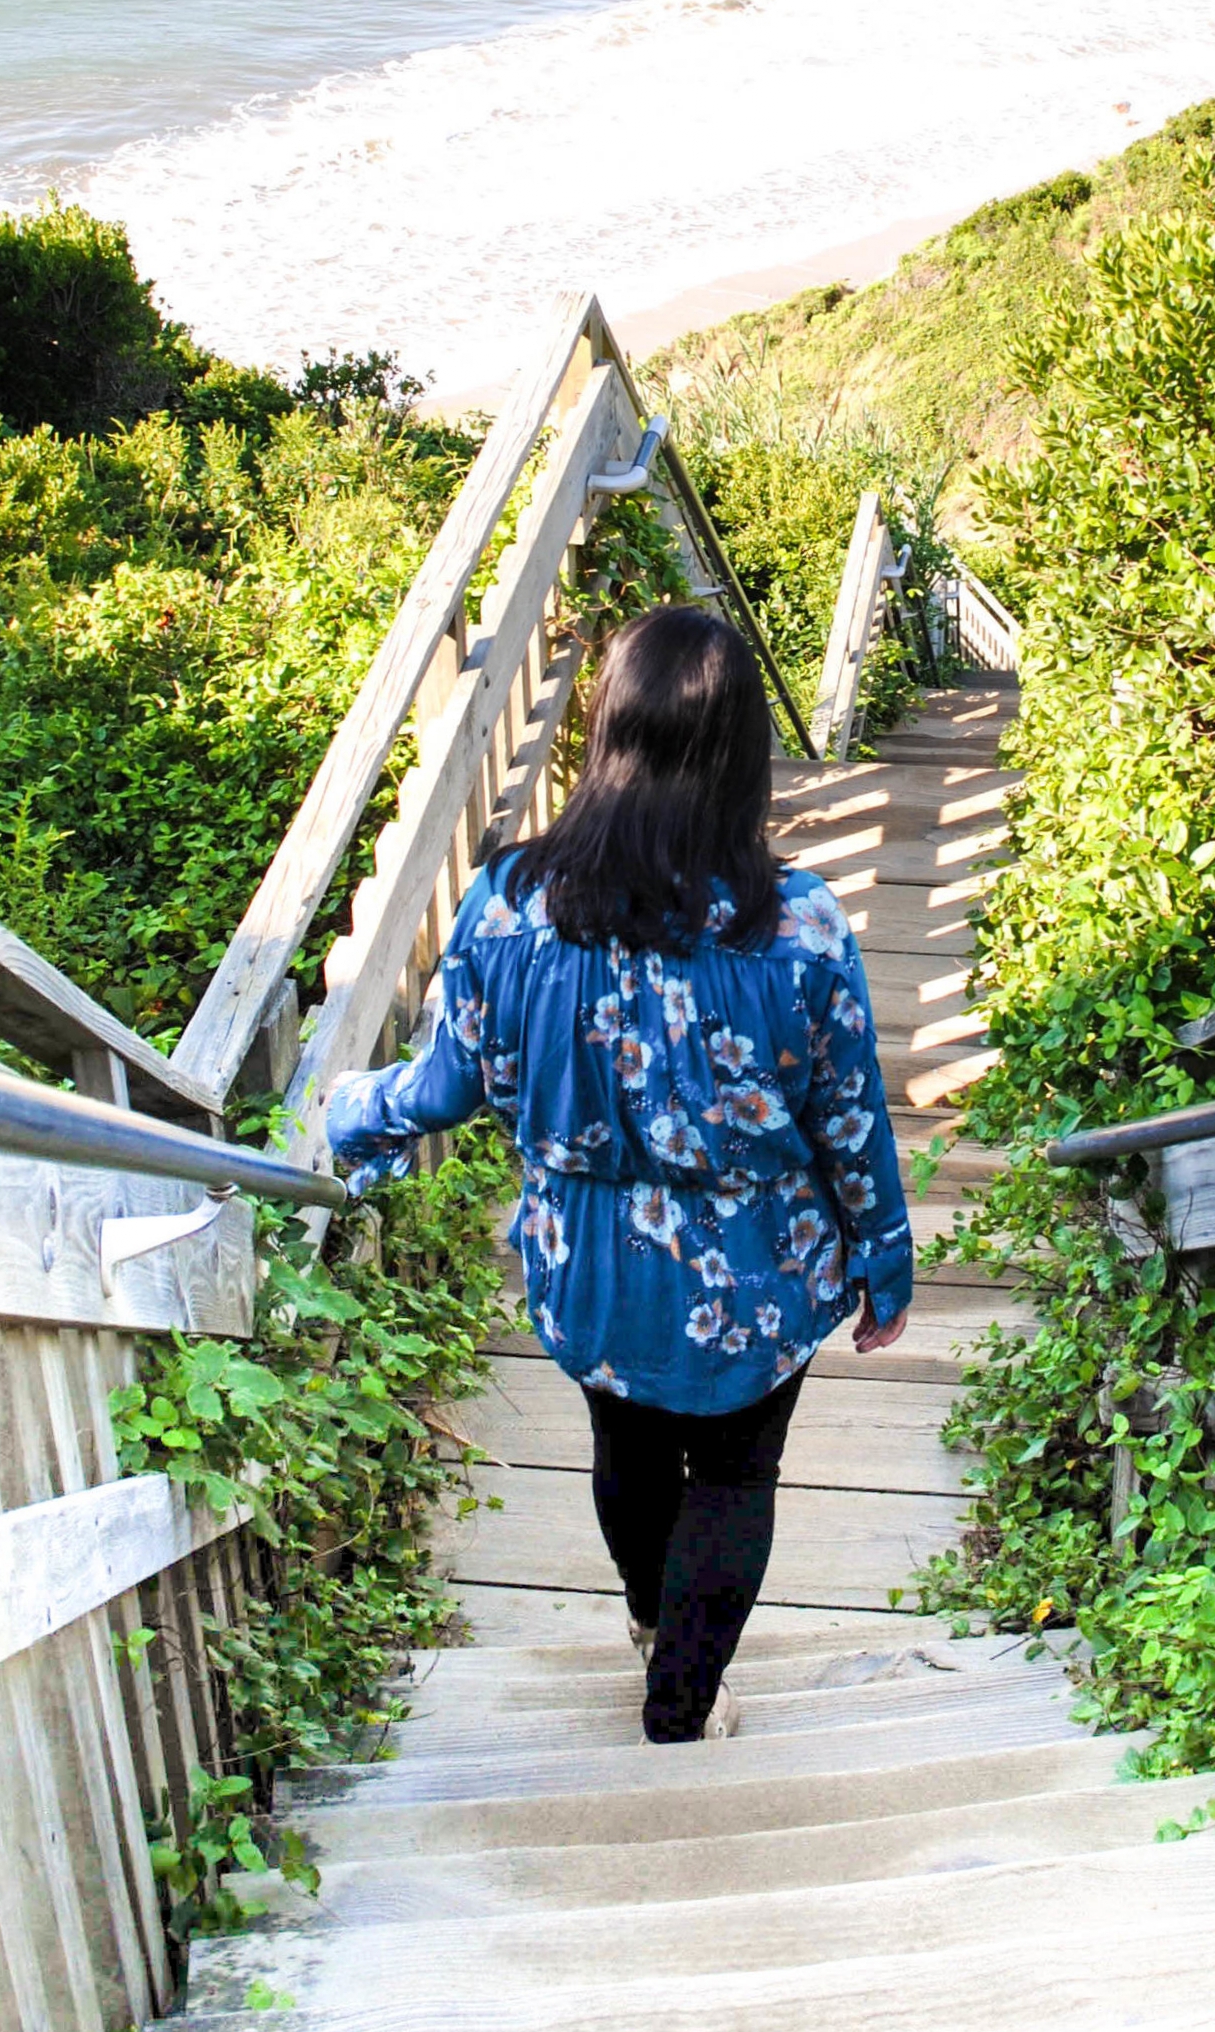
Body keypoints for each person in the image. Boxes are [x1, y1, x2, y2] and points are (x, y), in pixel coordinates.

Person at [325, 602, 913, 1743]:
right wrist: (882, 1262)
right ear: (744, 753)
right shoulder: (794, 925)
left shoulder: (507, 906)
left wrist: (350, 1118)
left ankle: (650, 1617)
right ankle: (680, 1700)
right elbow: (849, 1120)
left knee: (623, 1450)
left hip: (587, 1263)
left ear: (605, 735)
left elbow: (445, 1086)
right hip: (759, 1272)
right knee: (737, 1477)